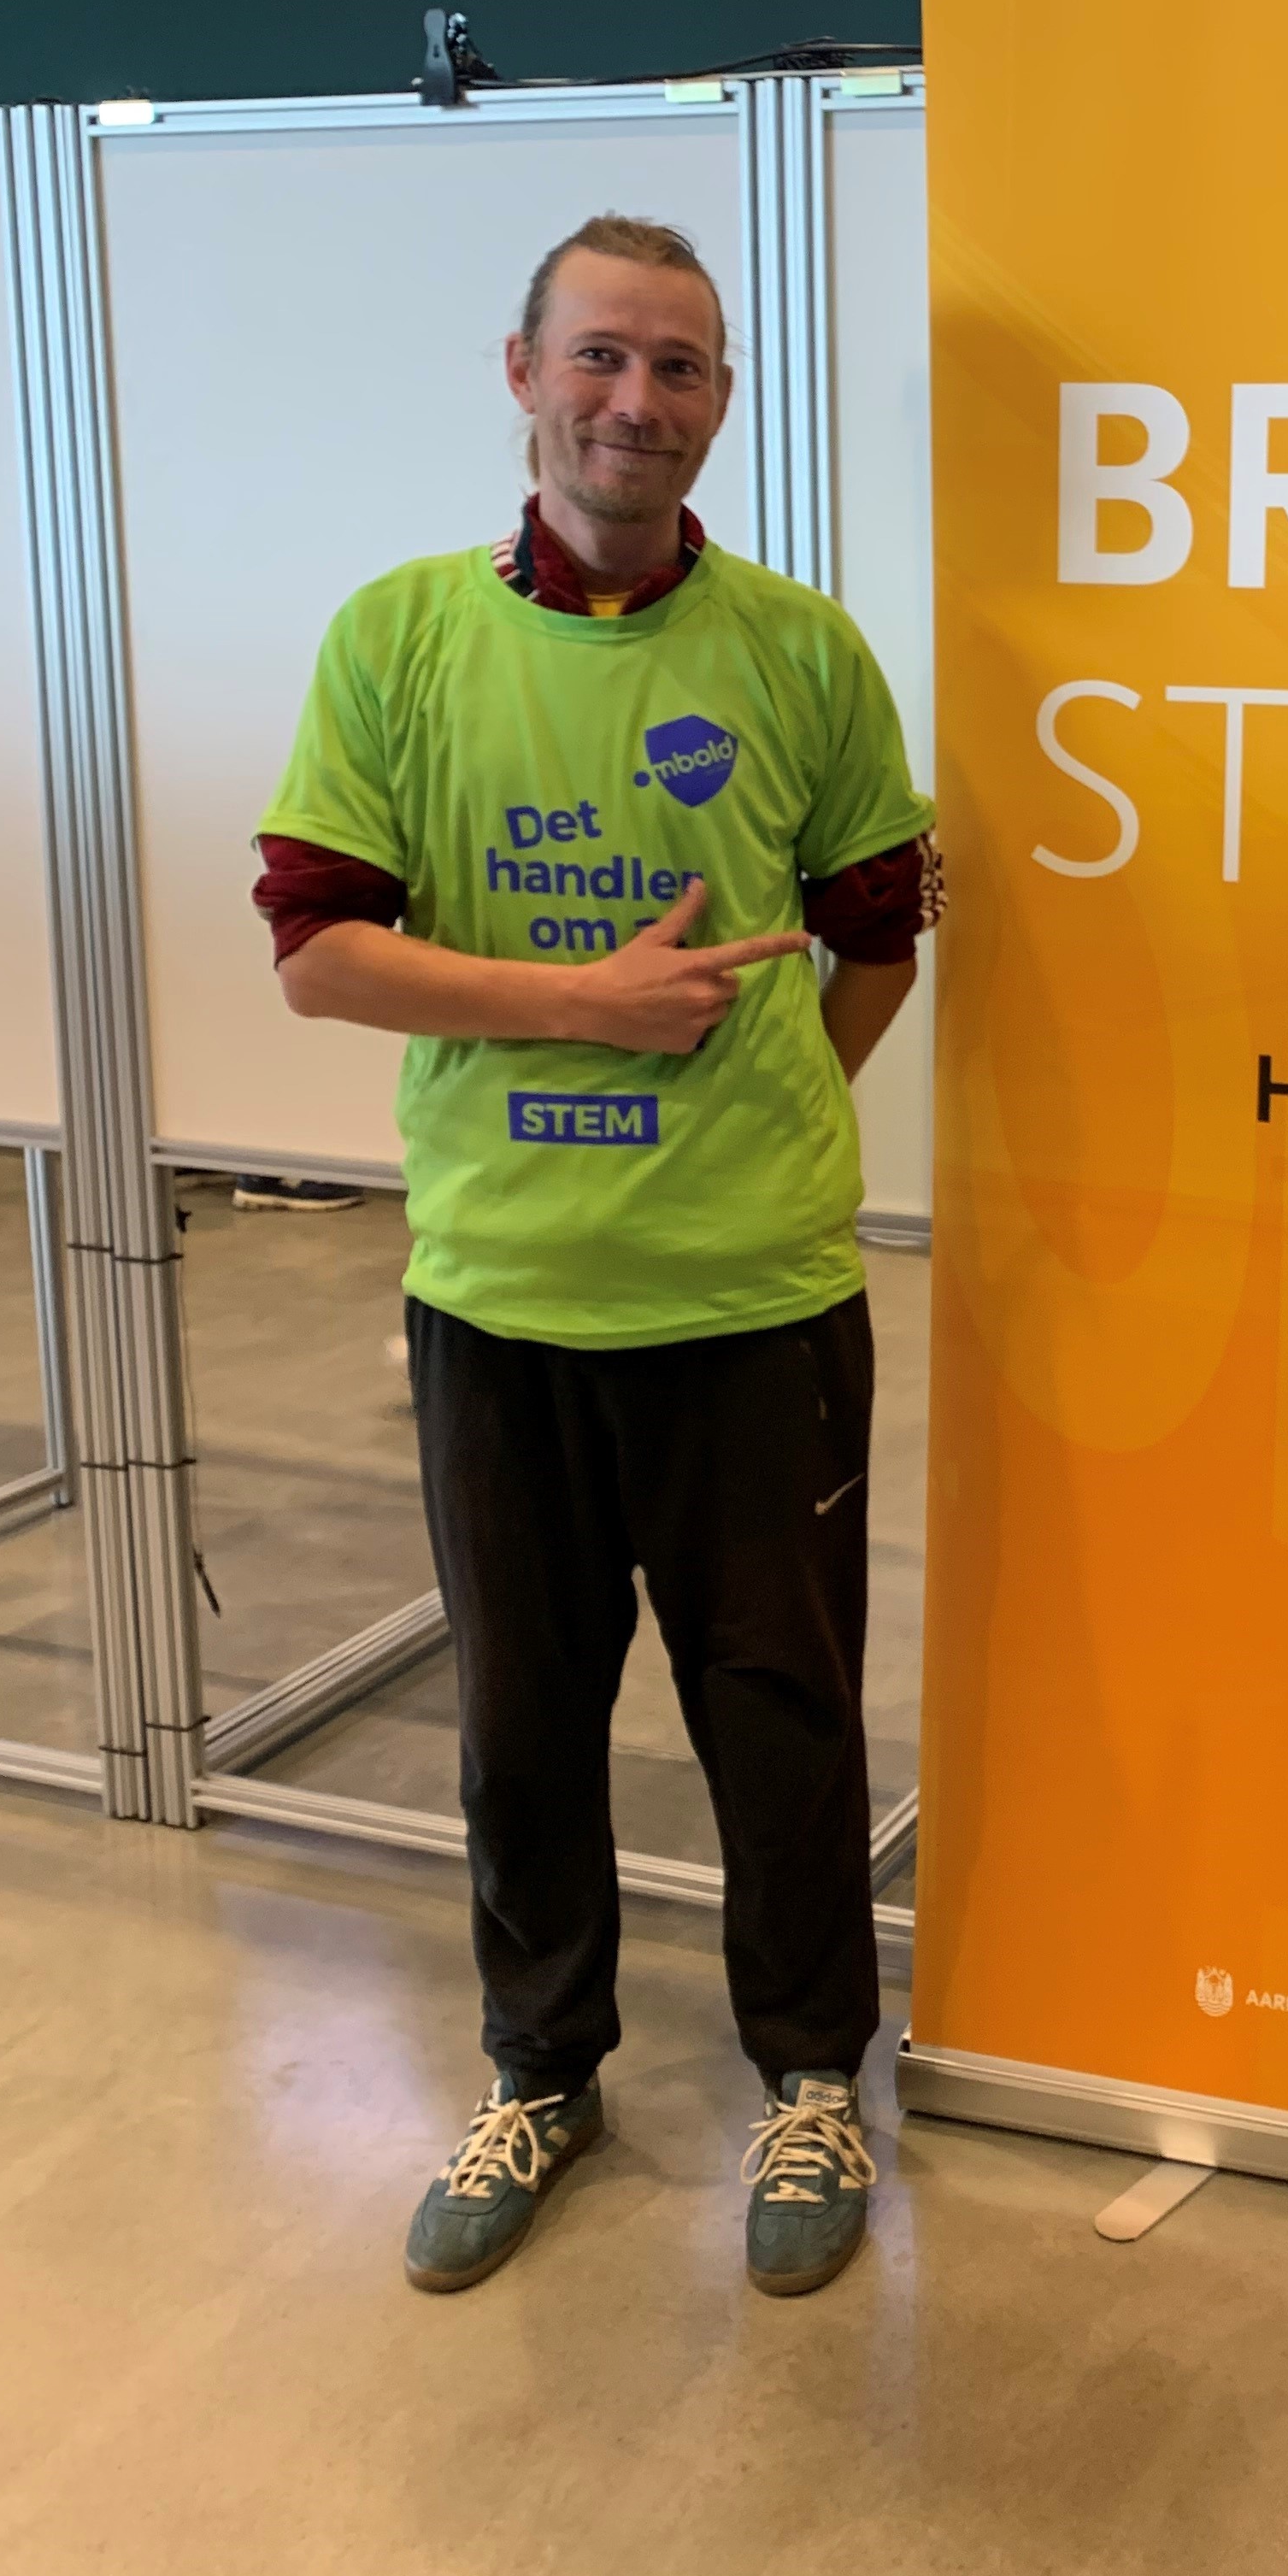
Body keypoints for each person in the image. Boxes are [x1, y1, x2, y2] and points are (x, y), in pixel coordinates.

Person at [253, 212, 939, 2302]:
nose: (639, 402)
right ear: (525, 373)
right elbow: (317, 953)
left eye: (682, 367)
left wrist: (754, 1117)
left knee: (782, 1718)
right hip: (502, 1297)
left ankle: (809, 2078)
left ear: (721, 402)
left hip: (755, 1304)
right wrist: (590, 1011)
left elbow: (877, 941)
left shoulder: (804, 653)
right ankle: (541, 2071)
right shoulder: (397, 641)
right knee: (525, 1722)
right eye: (603, 358)